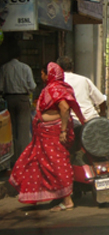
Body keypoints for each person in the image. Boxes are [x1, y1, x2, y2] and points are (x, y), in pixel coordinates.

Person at [9, 63, 85, 211]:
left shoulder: (54, 88)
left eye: (43, 74)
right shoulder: (58, 87)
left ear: (48, 74)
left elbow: (64, 108)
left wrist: (63, 131)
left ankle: (67, 200)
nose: (42, 77)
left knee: (56, 164)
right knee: (35, 161)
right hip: (44, 135)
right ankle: (52, 195)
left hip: (53, 134)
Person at [0, 45, 37, 163]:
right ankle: (23, 160)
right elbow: (32, 86)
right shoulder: (25, 68)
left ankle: (11, 159)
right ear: (19, 56)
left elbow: (0, 87)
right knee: (23, 131)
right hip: (22, 100)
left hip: (9, 100)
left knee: (10, 131)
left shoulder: (4, 68)